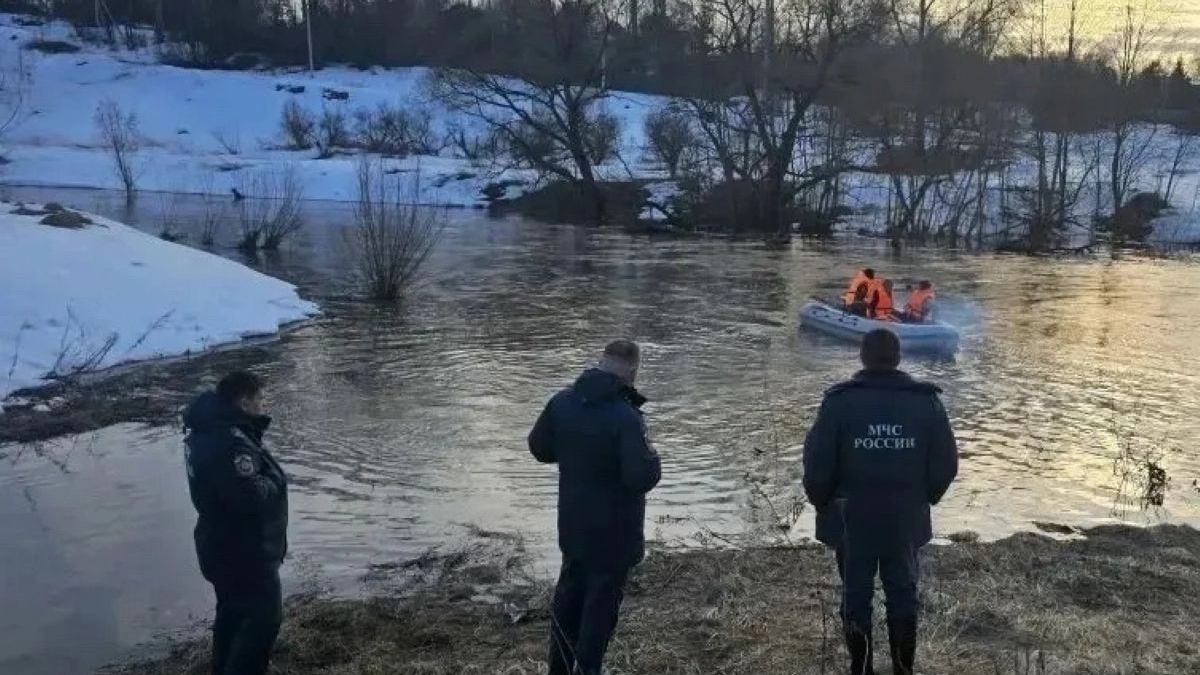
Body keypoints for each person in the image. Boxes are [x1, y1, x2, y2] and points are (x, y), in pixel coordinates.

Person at [802, 330, 958, 675]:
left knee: (856, 594)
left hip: (851, 515)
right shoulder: (926, 402)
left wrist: (821, 502)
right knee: (902, 590)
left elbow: (817, 466)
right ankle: (903, 668)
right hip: (904, 515)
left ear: (863, 357)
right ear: (899, 358)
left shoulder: (839, 402)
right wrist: (925, 498)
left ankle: (862, 668)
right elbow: (946, 463)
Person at [529, 340, 662, 675]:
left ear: (601, 363)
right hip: (614, 535)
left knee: (569, 596)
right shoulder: (626, 416)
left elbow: (539, 447)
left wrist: (576, 451)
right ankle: (588, 670)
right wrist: (654, 457)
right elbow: (640, 478)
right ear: (632, 371)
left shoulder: (562, 401)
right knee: (599, 609)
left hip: (572, 524)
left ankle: (558, 668)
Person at [183, 371, 288, 675]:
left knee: (232, 614)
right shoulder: (230, 442)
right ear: (244, 402)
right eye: (259, 401)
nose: (262, 407)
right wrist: (274, 478)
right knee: (264, 620)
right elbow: (249, 498)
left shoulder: (206, 431)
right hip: (245, 554)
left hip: (220, 546)